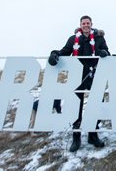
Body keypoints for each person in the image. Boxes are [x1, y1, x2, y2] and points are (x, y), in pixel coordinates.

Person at [47, 15, 110, 152]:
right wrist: (54, 54)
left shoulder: (99, 38)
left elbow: (106, 52)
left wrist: (103, 52)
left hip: (94, 76)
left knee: (96, 105)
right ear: (80, 25)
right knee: (76, 107)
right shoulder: (73, 39)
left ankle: (93, 135)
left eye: (88, 23)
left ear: (91, 24)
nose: (86, 25)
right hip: (78, 77)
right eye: (83, 23)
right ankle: (76, 137)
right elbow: (64, 52)